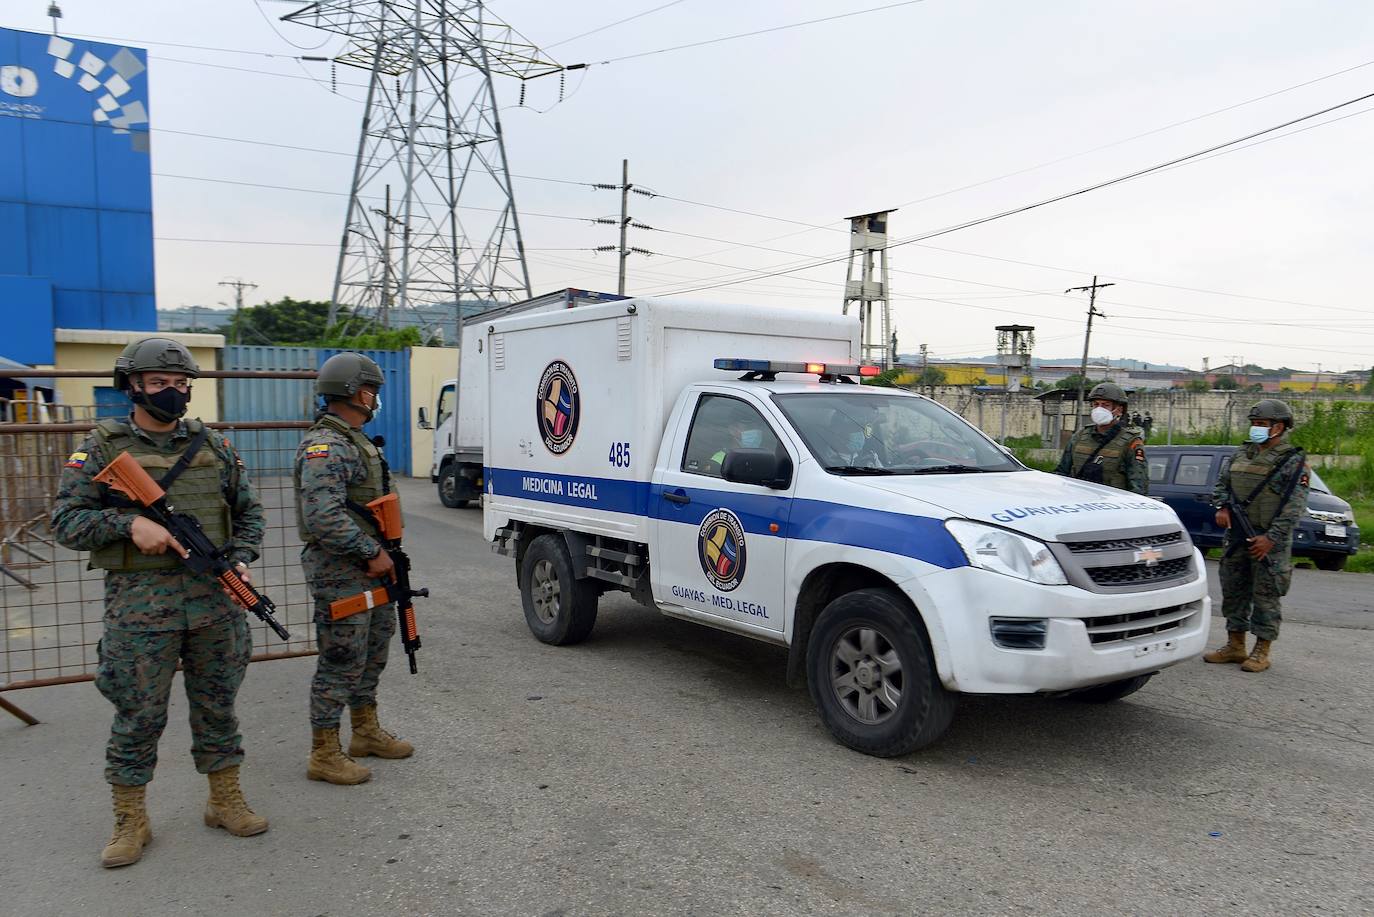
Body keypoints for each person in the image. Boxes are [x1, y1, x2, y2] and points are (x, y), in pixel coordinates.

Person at [51, 338, 268, 868]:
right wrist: (129, 524)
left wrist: (239, 557)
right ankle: (131, 818)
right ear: (133, 385)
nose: (171, 392)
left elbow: (249, 513)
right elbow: (66, 521)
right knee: (138, 714)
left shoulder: (212, 445)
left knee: (218, 706)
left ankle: (224, 800)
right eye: (158, 383)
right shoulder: (102, 447)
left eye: (179, 383)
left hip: (214, 603)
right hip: (140, 610)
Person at [296, 352, 413, 785]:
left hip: (373, 565)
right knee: (341, 657)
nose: (376, 397)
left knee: (373, 649)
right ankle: (324, 752)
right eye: (373, 390)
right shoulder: (326, 446)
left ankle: (364, 731)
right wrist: (369, 551)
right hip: (341, 570)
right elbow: (323, 516)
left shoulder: (356, 439)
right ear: (354, 392)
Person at [1203, 399, 1309, 673]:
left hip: (1268, 541)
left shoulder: (1293, 461)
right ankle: (1235, 645)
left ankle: (1262, 650)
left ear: (1280, 427)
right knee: (1233, 590)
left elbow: (1294, 507)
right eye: (1254, 423)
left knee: (1266, 595)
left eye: (1261, 424)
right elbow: (1221, 485)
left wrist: (1271, 538)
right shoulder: (1241, 454)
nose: (1255, 429)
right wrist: (1223, 505)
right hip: (1237, 535)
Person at [1053, 382, 1148, 494]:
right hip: (1079, 502)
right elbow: (1062, 473)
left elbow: (1138, 487)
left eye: (1105, 405)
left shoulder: (1131, 441)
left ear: (1119, 410)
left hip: (1112, 506)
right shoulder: (1079, 436)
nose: (1099, 409)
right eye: (1096, 404)